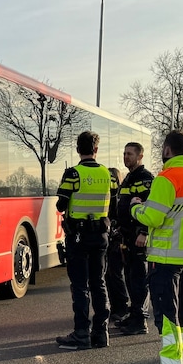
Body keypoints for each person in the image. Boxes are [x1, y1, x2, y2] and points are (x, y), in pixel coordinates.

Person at [130, 130, 183, 364]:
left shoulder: (166, 179)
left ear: (167, 149)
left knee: (167, 316)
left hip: (165, 258)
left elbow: (153, 217)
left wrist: (135, 206)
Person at [55, 131, 118, 350]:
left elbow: (61, 205)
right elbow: (115, 206)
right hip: (100, 236)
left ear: (77, 149)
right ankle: (101, 333)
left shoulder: (72, 174)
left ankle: (81, 333)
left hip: (78, 237)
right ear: (96, 150)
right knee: (99, 283)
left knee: (80, 286)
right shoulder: (108, 175)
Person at [115, 142, 154, 336]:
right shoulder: (129, 178)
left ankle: (140, 320)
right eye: (124, 153)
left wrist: (144, 232)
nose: (125, 157)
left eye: (129, 154)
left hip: (138, 237)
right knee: (130, 277)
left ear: (140, 156)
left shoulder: (145, 179)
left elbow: (150, 208)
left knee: (139, 279)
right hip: (126, 236)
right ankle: (134, 314)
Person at [105, 167, 131, 324]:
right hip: (114, 238)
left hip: (117, 239)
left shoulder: (119, 196)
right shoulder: (115, 195)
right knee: (111, 275)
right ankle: (117, 306)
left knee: (115, 274)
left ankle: (121, 306)